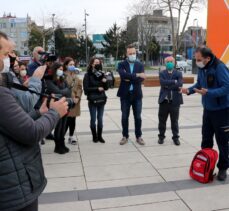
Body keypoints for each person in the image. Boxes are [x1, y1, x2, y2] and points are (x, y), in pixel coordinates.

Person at [0, 31, 69, 211]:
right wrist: (54, 113)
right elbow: (31, 133)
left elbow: (11, 125)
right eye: (6, 54)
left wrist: (39, 113)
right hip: (13, 190)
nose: (11, 59)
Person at [180, 46, 229, 181]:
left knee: (222, 141)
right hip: (207, 110)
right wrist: (188, 90)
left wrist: (209, 93)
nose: (198, 62)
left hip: (221, 111)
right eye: (196, 59)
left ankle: (223, 168)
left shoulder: (219, 67)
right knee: (206, 139)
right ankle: (207, 165)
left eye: (199, 59)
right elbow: (200, 84)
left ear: (208, 58)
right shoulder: (203, 68)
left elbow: (227, 87)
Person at [117, 45, 146, 145]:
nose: (132, 55)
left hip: (137, 95)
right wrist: (137, 75)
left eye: (134, 53)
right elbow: (123, 75)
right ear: (126, 54)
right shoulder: (121, 64)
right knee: (125, 116)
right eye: (130, 54)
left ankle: (139, 136)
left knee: (138, 117)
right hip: (125, 95)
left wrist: (129, 77)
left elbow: (142, 79)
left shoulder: (140, 65)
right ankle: (125, 136)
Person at [46, 62, 72, 154]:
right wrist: (65, 91)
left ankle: (62, 144)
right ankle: (57, 146)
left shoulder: (62, 78)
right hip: (56, 106)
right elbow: (56, 91)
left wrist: (64, 91)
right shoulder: (49, 79)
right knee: (58, 126)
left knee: (63, 126)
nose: (61, 71)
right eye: (59, 69)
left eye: (62, 69)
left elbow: (68, 91)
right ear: (55, 69)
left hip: (64, 104)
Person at [158, 56, 183, 146]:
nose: (169, 63)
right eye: (167, 61)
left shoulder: (179, 73)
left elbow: (180, 84)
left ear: (174, 62)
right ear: (165, 63)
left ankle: (175, 137)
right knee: (162, 121)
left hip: (175, 101)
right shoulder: (162, 73)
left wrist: (168, 84)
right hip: (164, 101)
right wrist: (174, 82)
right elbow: (162, 83)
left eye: (171, 61)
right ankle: (161, 137)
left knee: (174, 121)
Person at [83, 58, 108, 143]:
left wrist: (105, 82)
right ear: (92, 64)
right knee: (93, 119)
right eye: (96, 62)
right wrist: (97, 88)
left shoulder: (102, 74)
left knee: (100, 118)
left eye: (99, 63)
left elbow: (106, 88)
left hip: (101, 99)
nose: (97, 64)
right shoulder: (87, 75)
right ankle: (94, 136)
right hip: (93, 100)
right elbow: (86, 89)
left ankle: (100, 136)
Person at [64, 57, 83, 145]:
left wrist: (77, 97)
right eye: (70, 64)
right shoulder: (63, 76)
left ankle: (71, 136)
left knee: (73, 120)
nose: (72, 66)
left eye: (73, 64)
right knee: (65, 120)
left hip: (75, 101)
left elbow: (79, 87)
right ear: (66, 65)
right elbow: (64, 89)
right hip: (67, 101)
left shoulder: (76, 76)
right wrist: (72, 98)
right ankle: (61, 137)